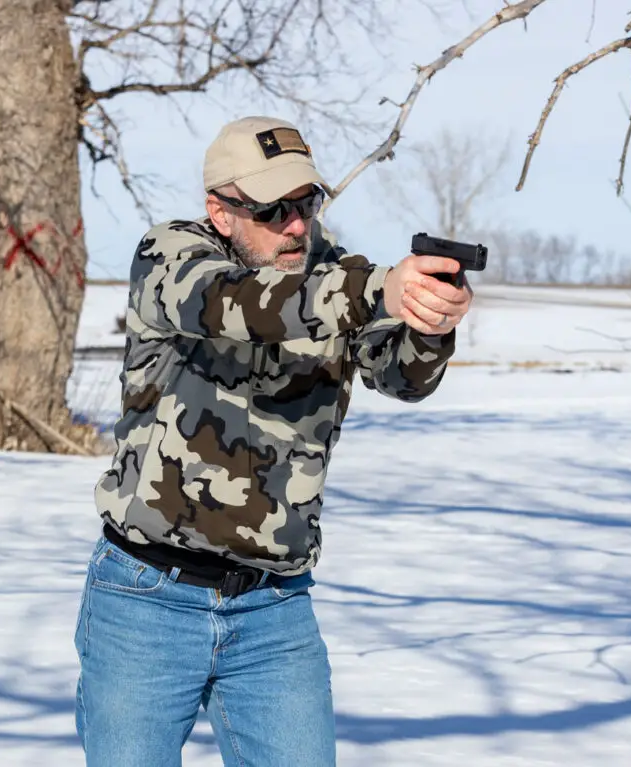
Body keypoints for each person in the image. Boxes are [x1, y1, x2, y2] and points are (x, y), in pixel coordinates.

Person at [73, 115, 474, 766]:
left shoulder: (337, 273)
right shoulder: (170, 256)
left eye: (306, 203)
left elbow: (401, 377)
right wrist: (378, 289)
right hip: (145, 601)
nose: (296, 224)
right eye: (273, 209)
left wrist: (429, 322)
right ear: (221, 210)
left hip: (275, 610)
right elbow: (237, 303)